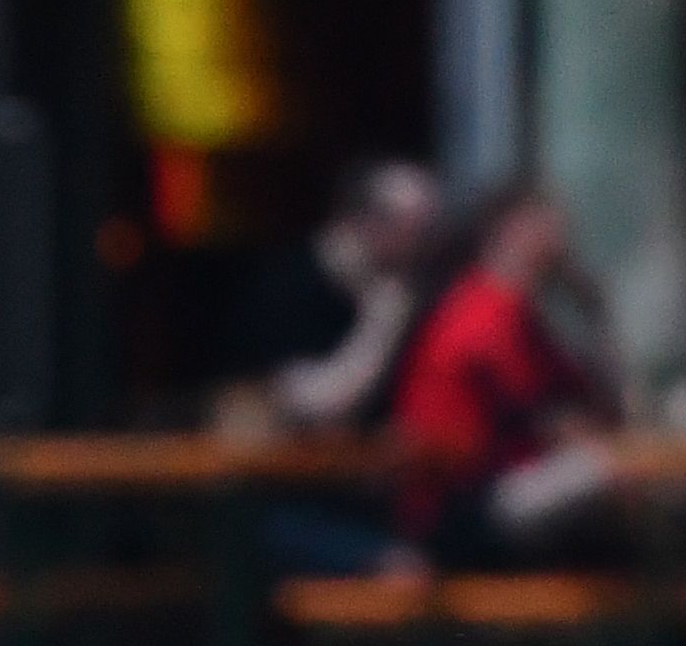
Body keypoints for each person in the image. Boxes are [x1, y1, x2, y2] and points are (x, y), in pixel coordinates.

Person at [383, 181, 629, 568]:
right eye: (545, 226)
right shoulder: (480, 308)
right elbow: (548, 419)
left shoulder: (520, 311)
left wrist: (594, 310)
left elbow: (593, 403)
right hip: (456, 508)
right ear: (510, 229)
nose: (559, 241)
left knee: (631, 488)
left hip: (498, 489)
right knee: (605, 475)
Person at [212, 158, 443, 439]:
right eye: (412, 229)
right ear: (364, 219)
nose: (419, 245)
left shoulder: (403, 287)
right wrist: (383, 321)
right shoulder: (289, 284)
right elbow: (312, 402)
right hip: (286, 461)